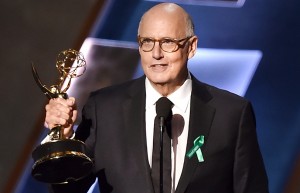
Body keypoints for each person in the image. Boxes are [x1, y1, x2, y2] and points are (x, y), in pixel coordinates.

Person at [44, 3, 269, 193]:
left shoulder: (231, 114)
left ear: (191, 47)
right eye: (147, 42)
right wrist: (62, 141)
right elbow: (68, 189)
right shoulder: (103, 108)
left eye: (168, 42)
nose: (156, 54)